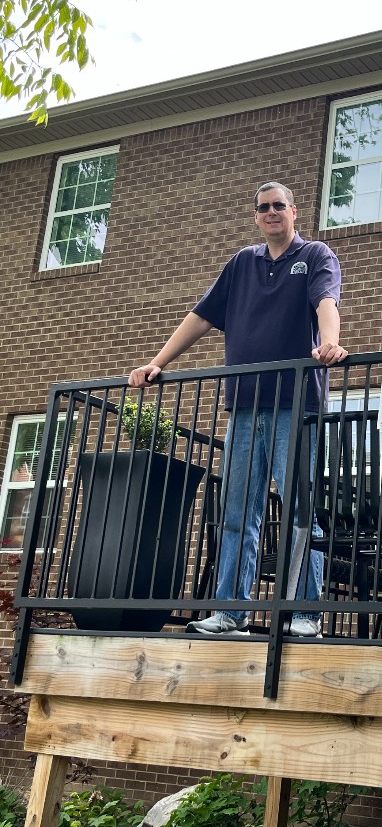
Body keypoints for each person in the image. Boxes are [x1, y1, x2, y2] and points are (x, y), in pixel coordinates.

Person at [129, 182, 348, 636]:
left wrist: (328, 342)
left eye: (279, 207)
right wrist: (156, 362)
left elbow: (326, 300)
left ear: (294, 212)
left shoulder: (315, 255)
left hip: (296, 404)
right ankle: (231, 612)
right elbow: (201, 316)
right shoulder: (241, 264)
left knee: (301, 509)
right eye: (263, 208)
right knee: (236, 512)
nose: (271, 213)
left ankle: (306, 614)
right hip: (244, 407)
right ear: (256, 216)